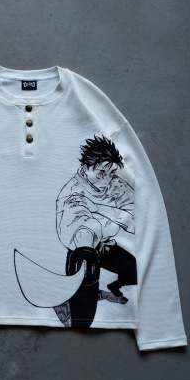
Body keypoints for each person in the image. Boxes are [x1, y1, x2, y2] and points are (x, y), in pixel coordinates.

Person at [55, 134, 137, 327]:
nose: (107, 179)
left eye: (111, 173)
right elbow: (80, 229)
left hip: (104, 244)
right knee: (82, 320)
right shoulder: (72, 193)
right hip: (83, 250)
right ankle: (71, 303)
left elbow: (137, 215)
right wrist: (113, 220)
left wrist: (99, 212)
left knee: (135, 270)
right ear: (84, 170)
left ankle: (102, 291)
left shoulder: (115, 183)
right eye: (101, 173)